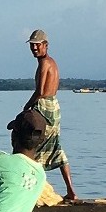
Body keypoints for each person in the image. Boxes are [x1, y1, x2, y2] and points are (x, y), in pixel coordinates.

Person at [24, 29, 78, 202]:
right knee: (56, 148)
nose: (34, 49)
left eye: (37, 45)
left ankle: (31, 193)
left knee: (32, 148)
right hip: (54, 105)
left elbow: (40, 91)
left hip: (45, 105)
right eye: (32, 46)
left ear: (45, 45)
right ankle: (70, 191)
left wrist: (26, 107)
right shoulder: (52, 62)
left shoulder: (44, 63)